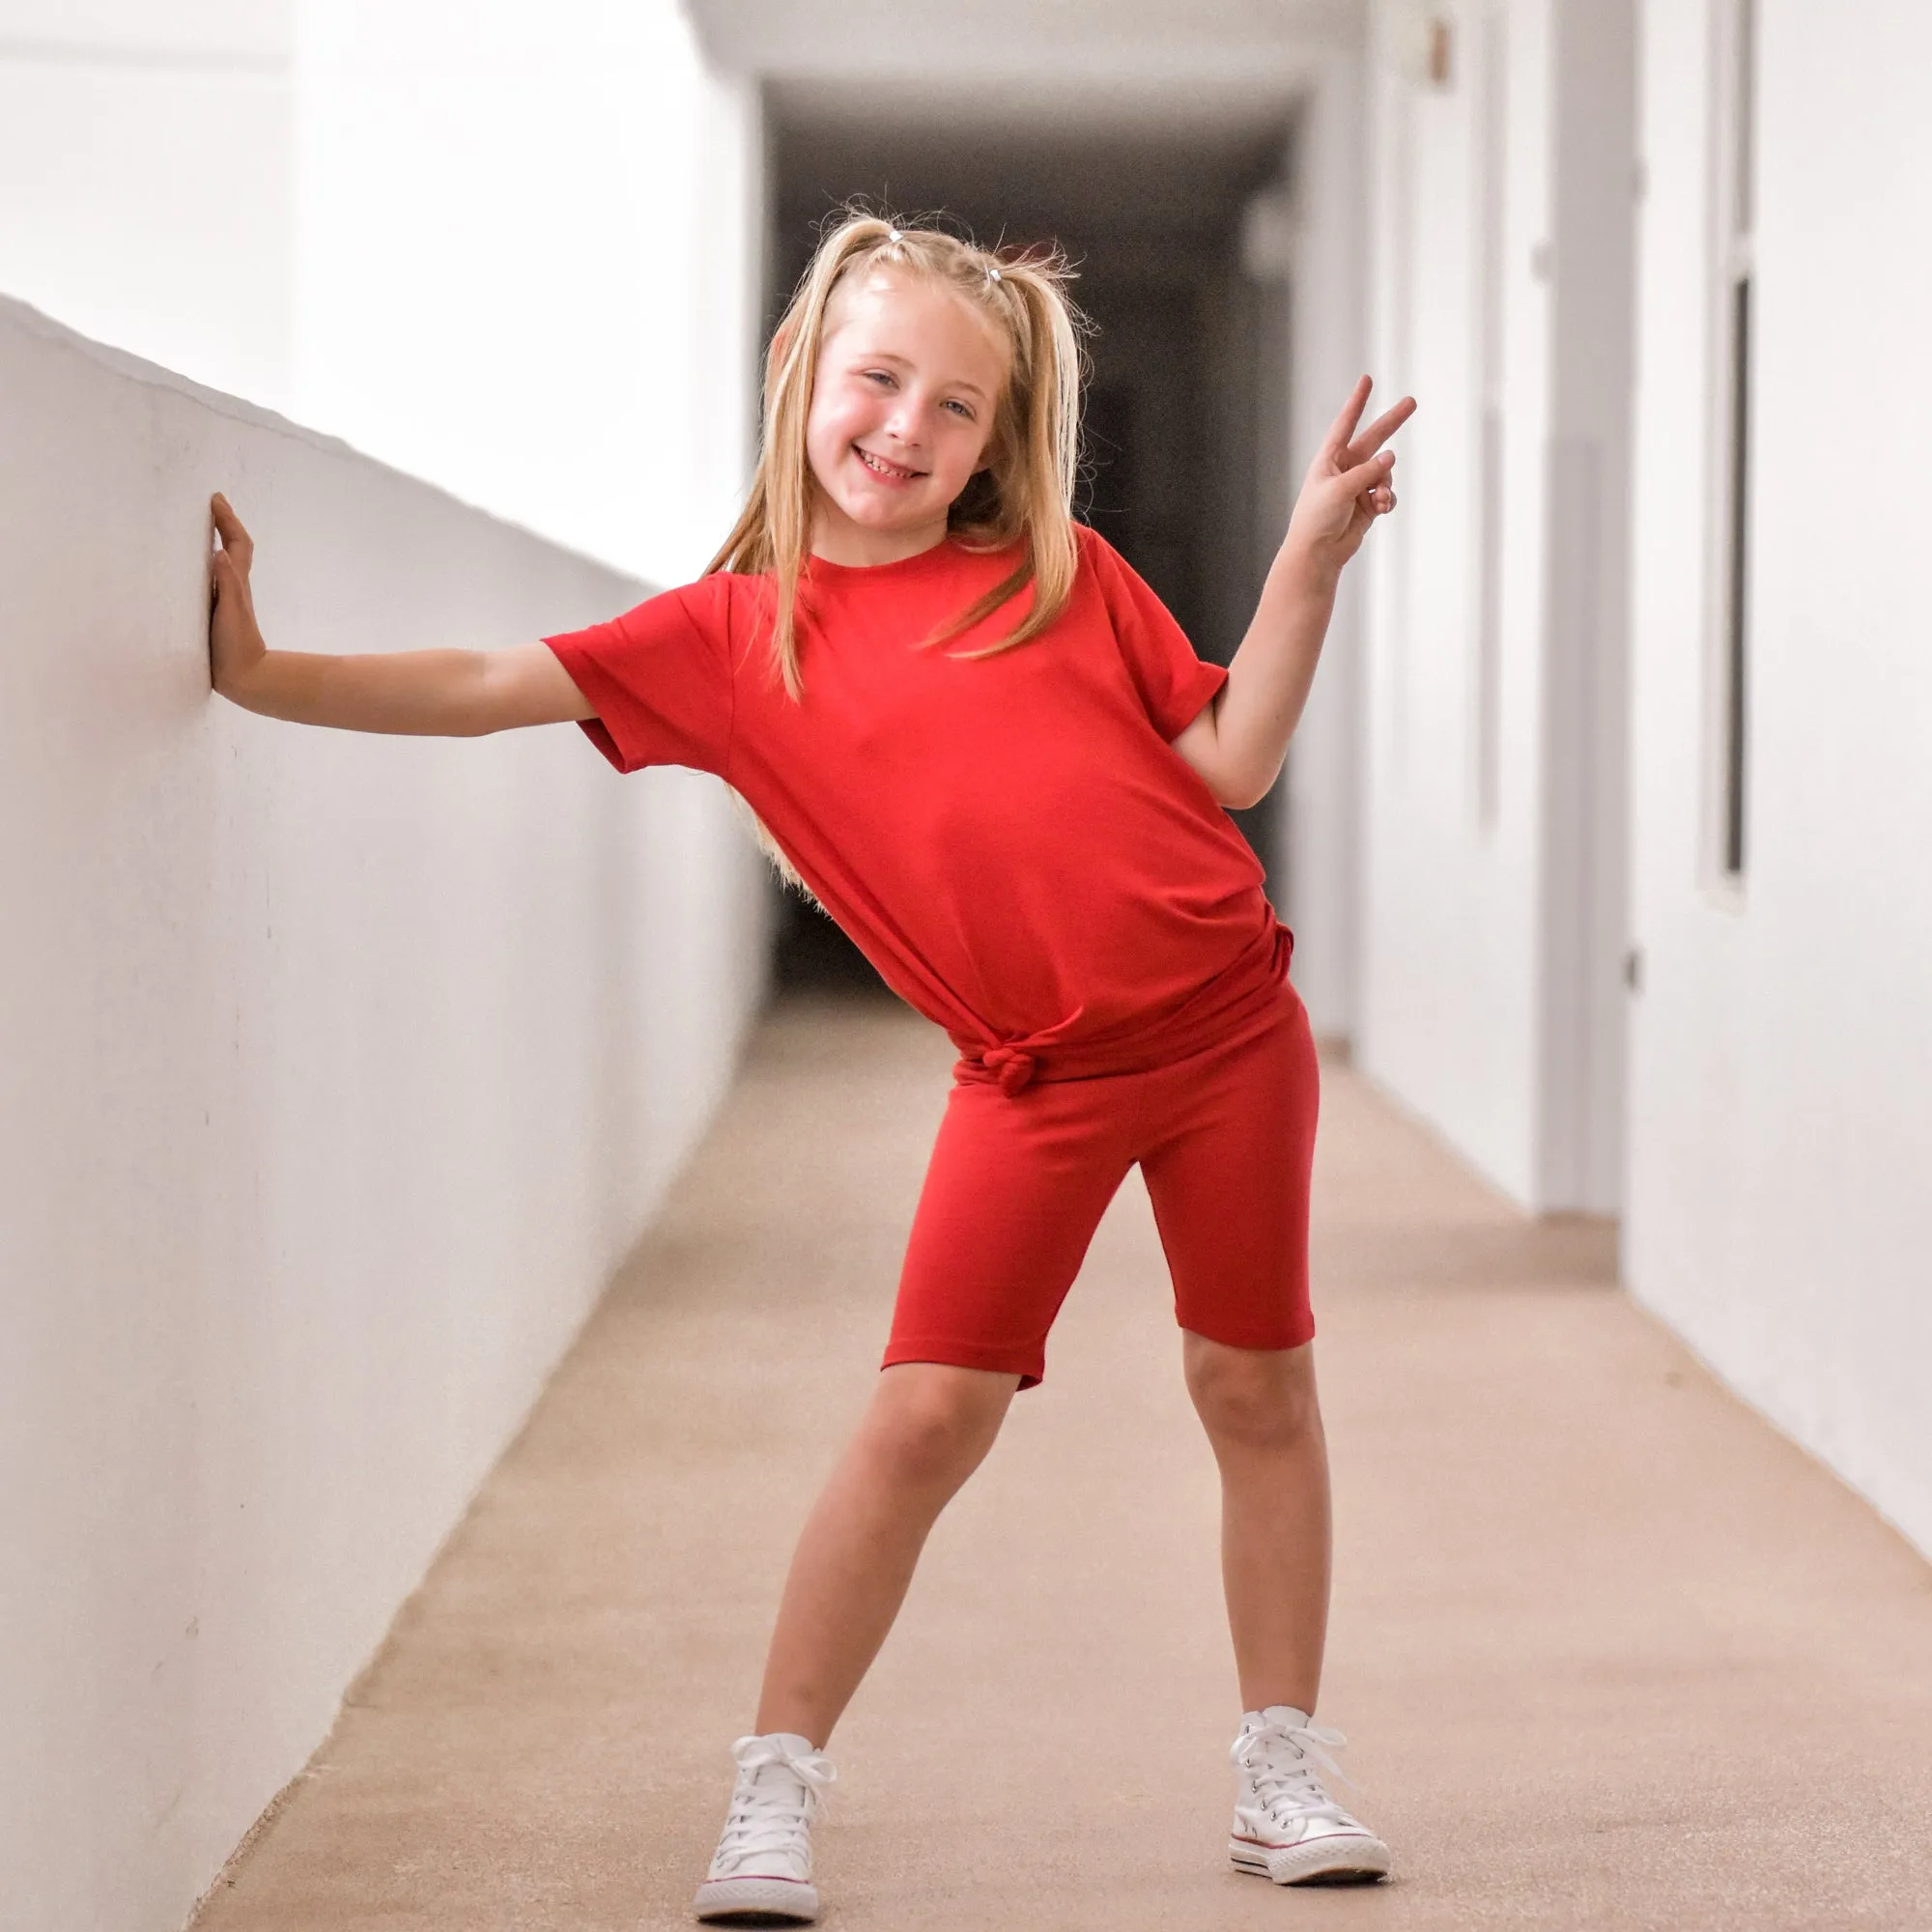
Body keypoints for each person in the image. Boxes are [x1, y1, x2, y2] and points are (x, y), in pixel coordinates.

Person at [208, 212, 1412, 1924]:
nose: (907, 430)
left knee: (1254, 1386)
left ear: (1001, 441)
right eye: (879, 381)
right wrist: (261, 673)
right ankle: (774, 1785)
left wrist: (1309, 559)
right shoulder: (727, 640)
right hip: (1033, 1082)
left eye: (955, 409)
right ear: (801, 373)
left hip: (1232, 1034)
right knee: (927, 1415)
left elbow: (1227, 760)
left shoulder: (1059, 570)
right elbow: (488, 681)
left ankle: (1283, 1761)